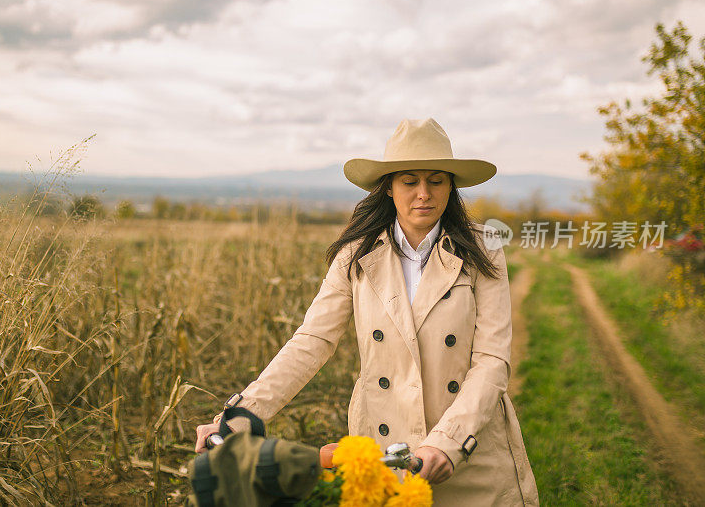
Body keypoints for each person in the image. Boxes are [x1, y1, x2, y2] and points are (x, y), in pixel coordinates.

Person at [195, 118, 539, 506]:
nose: (423, 193)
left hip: (469, 449)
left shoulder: (483, 249)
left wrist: (450, 441)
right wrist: (242, 415)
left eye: (436, 180)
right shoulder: (356, 255)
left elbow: (492, 360)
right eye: (410, 181)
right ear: (389, 188)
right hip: (384, 451)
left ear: (451, 186)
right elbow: (312, 341)